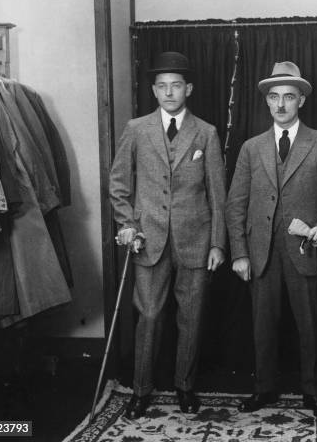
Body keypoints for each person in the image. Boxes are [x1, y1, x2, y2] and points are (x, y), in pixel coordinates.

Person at [226, 61, 317, 419]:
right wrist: (240, 253)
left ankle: (315, 393)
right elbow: (236, 204)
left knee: (311, 324)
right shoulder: (251, 148)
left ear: (301, 101)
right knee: (262, 324)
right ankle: (264, 388)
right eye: (275, 97)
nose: (281, 104)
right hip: (261, 251)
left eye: (289, 97)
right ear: (266, 101)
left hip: (303, 249)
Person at [109, 51, 226, 418]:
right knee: (149, 316)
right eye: (162, 86)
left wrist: (218, 243)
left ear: (187, 89)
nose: (169, 92)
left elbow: (218, 194)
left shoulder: (205, 132)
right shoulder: (136, 129)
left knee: (191, 317)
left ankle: (185, 387)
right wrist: (127, 225)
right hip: (149, 239)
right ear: (154, 91)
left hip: (195, 240)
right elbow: (118, 184)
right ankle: (141, 390)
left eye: (176, 85)